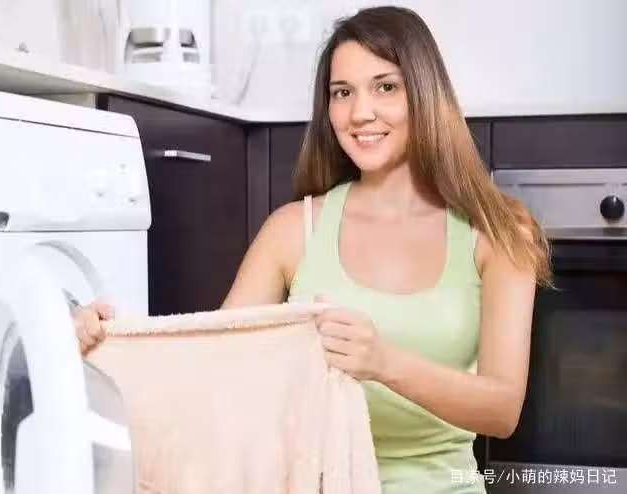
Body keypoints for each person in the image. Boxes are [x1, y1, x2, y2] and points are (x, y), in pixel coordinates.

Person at [76, 6, 551, 493]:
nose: (360, 112)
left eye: (385, 87)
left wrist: (384, 361)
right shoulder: (291, 231)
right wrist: (101, 344)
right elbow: (211, 370)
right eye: (342, 93)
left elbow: (501, 410)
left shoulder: (497, 231)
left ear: (425, 93)